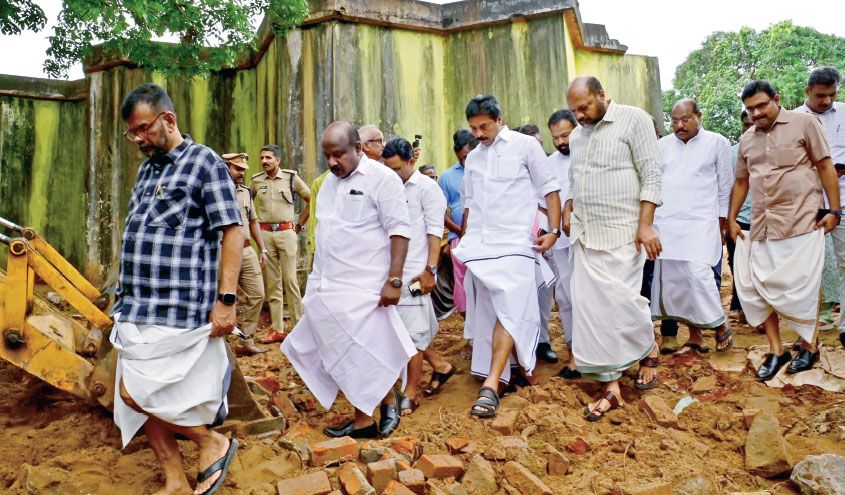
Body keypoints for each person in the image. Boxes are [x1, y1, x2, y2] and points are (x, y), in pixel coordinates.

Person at [112, 83, 242, 495]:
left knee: (137, 395)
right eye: (132, 133)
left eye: (144, 129)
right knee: (145, 398)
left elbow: (233, 233)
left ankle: (211, 441)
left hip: (179, 309)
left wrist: (226, 301)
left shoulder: (205, 163)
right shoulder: (147, 168)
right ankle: (174, 479)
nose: (139, 139)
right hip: (136, 307)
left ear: (168, 119)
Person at [281, 121, 415, 439]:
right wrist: (315, 281)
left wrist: (394, 280)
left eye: (338, 154)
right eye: (327, 155)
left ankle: (369, 415)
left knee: (369, 350)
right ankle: (375, 409)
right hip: (329, 286)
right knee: (344, 353)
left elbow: (400, 230)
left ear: (358, 148)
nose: (331, 162)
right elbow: (326, 232)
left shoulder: (383, 180)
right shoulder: (327, 184)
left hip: (368, 286)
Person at [453, 95, 561, 418]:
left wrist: (553, 231)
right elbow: (469, 206)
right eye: (474, 128)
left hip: (517, 243)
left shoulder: (526, 146)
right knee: (489, 310)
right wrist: (464, 243)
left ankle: (491, 384)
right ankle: (509, 370)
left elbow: (550, 189)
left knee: (511, 308)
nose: (479, 134)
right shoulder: (472, 159)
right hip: (481, 246)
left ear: (500, 118)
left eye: (484, 126)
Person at [564, 76, 662, 420]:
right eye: (575, 110)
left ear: (602, 95)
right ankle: (612, 386)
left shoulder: (634, 119)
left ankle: (648, 345)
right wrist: (568, 208)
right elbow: (575, 181)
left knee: (622, 305)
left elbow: (651, 173)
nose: (580, 116)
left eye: (585, 106)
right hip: (586, 235)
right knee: (592, 312)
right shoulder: (577, 136)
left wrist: (645, 224)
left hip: (624, 233)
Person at [729, 80, 840, 380]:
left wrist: (834, 210)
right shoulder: (747, 140)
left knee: (803, 287)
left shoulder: (805, 123)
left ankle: (810, 344)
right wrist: (731, 218)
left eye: (762, 105)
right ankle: (777, 350)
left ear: (777, 99)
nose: (756, 113)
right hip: (761, 226)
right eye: (750, 109)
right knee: (759, 289)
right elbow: (741, 181)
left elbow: (825, 166)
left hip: (801, 222)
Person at [652, 99, 734, 355]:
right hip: (668, 223)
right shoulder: (661, 146)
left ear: (699, 115)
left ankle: (720, 325)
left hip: (702, 222)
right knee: (676, 280)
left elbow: (726, 185)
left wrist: (723, 221)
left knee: (699, 275)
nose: (679, 125)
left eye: (685, 119)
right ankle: (695, 336)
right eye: (674, 120)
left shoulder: (717, 142)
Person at [382, 138, 453, 415]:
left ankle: (410, 391)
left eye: (398, 169)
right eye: (388, 169)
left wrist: (430, 271)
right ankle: (441, 366)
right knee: (397, 330)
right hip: (390, 271)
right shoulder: (388, 186)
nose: (393, 174)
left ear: (412, 161)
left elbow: (435, 233)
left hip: (414, 273)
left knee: (412, 335)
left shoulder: (428, 189)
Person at [796, 67, 845, 348]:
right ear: (807, 92)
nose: (826, 101)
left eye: (832, 95)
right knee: (804, 269)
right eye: (820, 95)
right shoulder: (791, 119)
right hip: (806, 204)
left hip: (843, 202)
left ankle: (844, 328)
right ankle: (805, 332)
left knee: (844, 264)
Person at [251, 145, 311, 343]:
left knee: (291, 282)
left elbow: (311, 199)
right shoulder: (256, 181)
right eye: (262, 157)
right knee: (273, 284)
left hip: (287, 233)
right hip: (266, 235)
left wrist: (300, 225)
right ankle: (277, 329)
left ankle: (298, 327)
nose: (264, 161)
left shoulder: (290, 178)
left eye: (268, 157)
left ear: (278, 160)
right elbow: (248, 207)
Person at [222, 152, 270, 356]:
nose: (241, 173)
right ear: (227, 167)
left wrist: (263, 249)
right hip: (222, 251)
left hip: (246, 249)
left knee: (258, 294)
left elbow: (253, 221)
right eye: (237, 168)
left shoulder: (246, 192)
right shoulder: (216, 190)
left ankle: (246, 339)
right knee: (221, 297)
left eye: (243, 169)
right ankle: (220, 345)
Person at [544, 109, 579, 377]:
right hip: (560, 241)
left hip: (589, 240)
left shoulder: (590, 154)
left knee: (589, 297)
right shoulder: (549, 164)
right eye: (555, 138)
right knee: (565, 297)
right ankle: (574, 354)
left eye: (565, 135)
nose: (560, 142)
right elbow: (542, 201)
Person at [438, 129, 478, 319]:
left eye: (467, 157)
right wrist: (459, 231)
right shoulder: (447, 177)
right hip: (458, 238)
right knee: (462, 280)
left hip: (481, 236)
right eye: (461, 158)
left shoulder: (485, 170)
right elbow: (439, 210)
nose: (464, 162)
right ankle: (469, 324)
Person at [726, 111, 755, 324]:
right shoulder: (731, 154)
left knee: (762, 266)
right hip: (738, 219)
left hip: (766, 219)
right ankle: (741, 304)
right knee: (738, 263)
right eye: (746, 124)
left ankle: (755, 309)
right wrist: (728, 220)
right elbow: (726, 187)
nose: (750, 128)